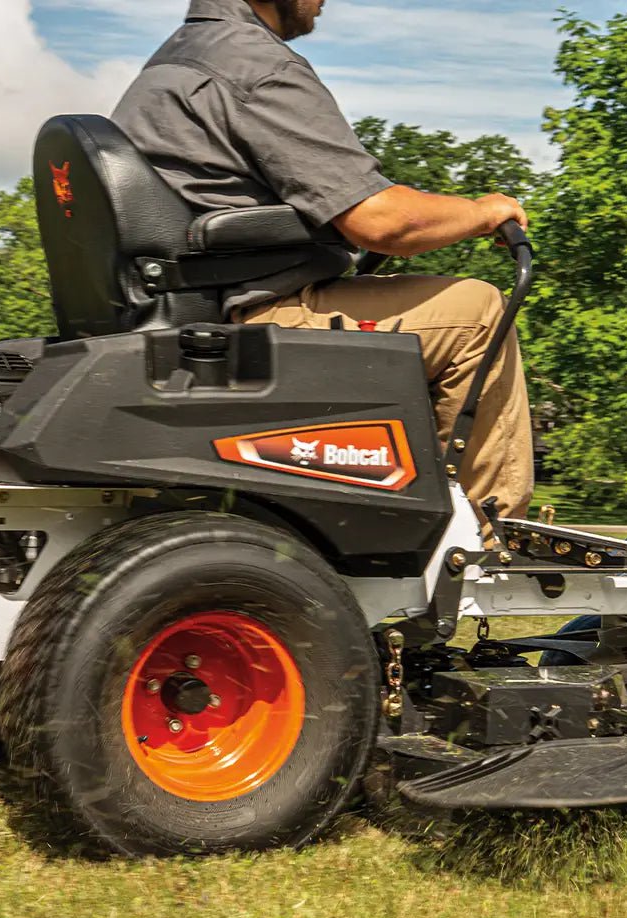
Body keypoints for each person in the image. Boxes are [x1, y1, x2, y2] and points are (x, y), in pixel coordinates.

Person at [112, 0, 533, 529]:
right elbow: (383, 222)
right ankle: (485, 538)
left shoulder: (171, 63)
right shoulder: (256, 66)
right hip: (254, 319)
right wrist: (482, 211)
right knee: (476, 311)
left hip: (189, 315)